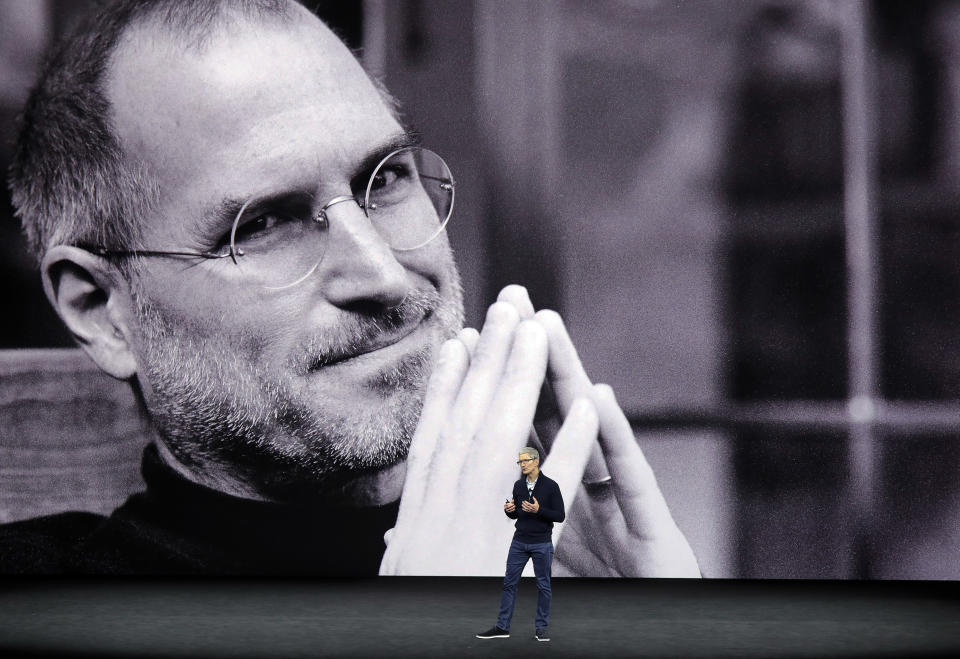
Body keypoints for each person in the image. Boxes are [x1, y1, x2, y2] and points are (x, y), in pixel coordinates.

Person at [1, 0, 701, 578]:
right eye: (265, 223)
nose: (383, 275)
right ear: (101, 309)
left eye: (386, 178)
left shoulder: (579, 566)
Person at [476, 447, 562, 642]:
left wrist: (539, 510)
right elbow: (517, 514)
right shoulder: (518, 485)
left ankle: (541, 629)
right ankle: (502, 627)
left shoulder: (551, 486)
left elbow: (560, 515)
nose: (522, 464)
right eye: (520, 462)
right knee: (509, 584)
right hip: (519, 542)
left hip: (541, 544)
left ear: (536, 461)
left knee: (543, 586)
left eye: (526, 461)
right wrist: (509, 510)